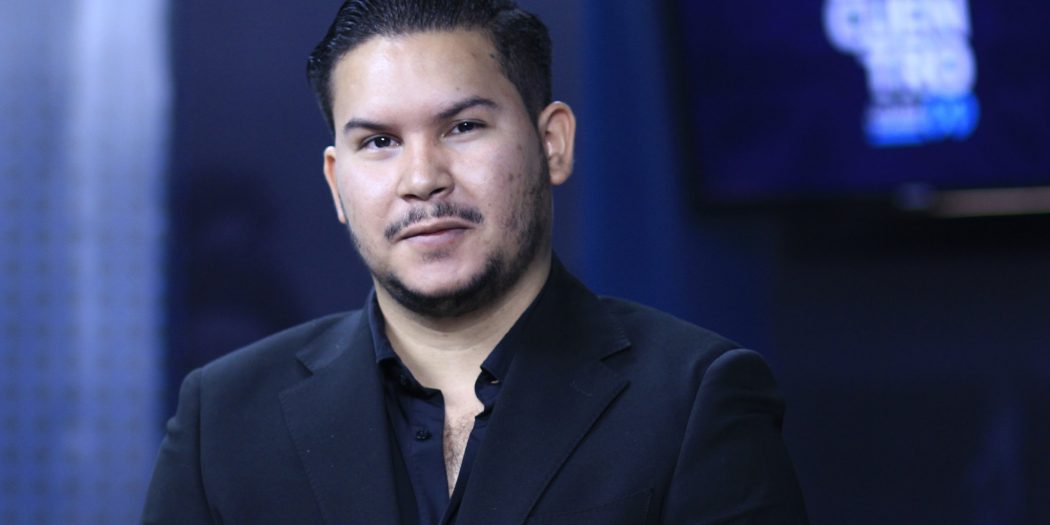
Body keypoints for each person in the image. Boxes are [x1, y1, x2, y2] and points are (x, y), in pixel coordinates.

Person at [142, 1, 809, 523]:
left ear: (552, 144)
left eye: (462, 127)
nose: (422, 179)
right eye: (378, 142)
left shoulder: (696, 397)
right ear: (336, 183)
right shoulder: (222, 419)